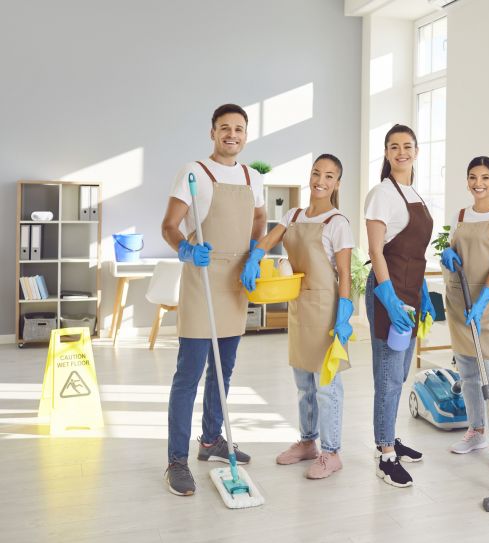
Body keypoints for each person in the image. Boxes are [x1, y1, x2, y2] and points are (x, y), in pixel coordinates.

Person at [160, 104, 266, 496]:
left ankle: (211, 440)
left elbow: (259, 219)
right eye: (224, 128)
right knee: (189, 374)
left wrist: (254, 252)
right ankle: (176, 460)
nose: (231, 134)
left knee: (224, 369)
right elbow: (169, 226)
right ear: (212, 133)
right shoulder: (194, 172)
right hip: (201, 276)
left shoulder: (252, 177)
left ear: (245, 135)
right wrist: (186, 249)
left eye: (238, 128)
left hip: (234, 280)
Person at [241, 154, 354, 480]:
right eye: (317, 173)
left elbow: (344, 274)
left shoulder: (338, 223)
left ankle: (332, 452)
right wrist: (255, 257)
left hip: (326, 311)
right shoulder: (293, 215)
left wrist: (344, 315)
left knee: (326, 385)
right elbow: (269, 239)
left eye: (329, 176)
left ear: (337, 184)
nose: (321, 181)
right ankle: (308, 442)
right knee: (304, 384)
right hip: (300, 305)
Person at [364, 124, 436, 488]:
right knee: (388, 377)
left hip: (410, 293)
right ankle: (385, 454)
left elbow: (415, 254)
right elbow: (376, 251)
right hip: (387, 293)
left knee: (400, 372)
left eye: (407, 146)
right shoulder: (382, 193)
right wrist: (389, 298)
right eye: (394, 146)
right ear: (387, 152)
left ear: (416, 151)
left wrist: (423, 293)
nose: (401, 152)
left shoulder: (415, 194)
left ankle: (389, 435)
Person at [439, 156, 489, 475]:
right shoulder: (461, 215)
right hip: (460, 300)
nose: (478, 183)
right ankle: (477, 432)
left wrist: (484, 299)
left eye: (485, 177)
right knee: (468, 372)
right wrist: (446, 254)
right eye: (473, 177)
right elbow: (456, 254)